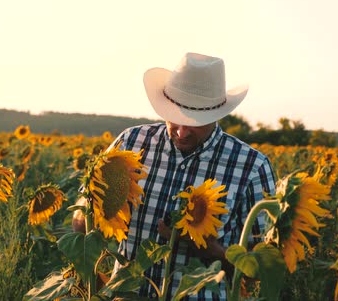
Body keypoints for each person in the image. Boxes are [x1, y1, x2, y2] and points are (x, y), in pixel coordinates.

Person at [73, 52, 276, 301]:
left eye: (194, 121)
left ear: (216, 114)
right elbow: (83, 216)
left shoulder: (251, 167)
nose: (181, 131)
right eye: (176, 117)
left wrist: (204, 248)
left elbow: (260, 270)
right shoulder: (131, 143)